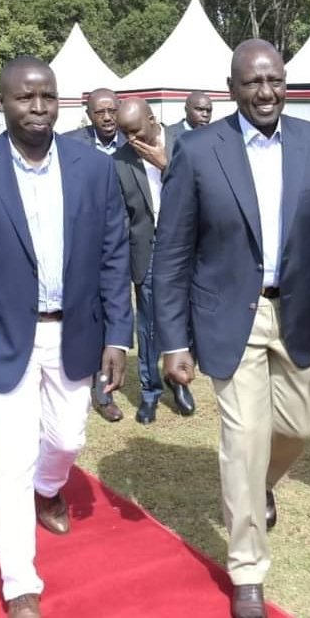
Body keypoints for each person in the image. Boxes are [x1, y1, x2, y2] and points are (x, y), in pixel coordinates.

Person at [154, 39, 310, 618]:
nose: (264, 92)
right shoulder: (197, 150)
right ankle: (247, 567)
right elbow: (171, 253)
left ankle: (257, 485)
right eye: (252, 83)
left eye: (274, 80)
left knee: (296, 427)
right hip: (226, 316)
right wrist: (173, 339)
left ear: (285, 82)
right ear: (232, 87)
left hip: (299, 313)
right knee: (243, 440)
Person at [0, 57, 132, 618]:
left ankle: (50, 487)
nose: (38, 107)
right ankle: (21, 581)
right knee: (9, 461)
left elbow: (115, 257)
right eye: (25, 97)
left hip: (76, 333)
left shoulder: (92, 168)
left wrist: (119, 334)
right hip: (0, 337)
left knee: (67, 439)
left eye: (47, 96)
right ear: (4, 103)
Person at [112, 97, 195, 422]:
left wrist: (166, 165)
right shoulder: (119, 162)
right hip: (146, 252)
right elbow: (120, 219)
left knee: (183, 317)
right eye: (124, 134)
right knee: (148, 326)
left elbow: (201, 191)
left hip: (184, 247)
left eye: (135, 131)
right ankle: (150, 391)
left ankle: (180, 380)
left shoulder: (186, 146)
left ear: (152, 118)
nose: (131, 140)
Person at [62, 87, 127, 422]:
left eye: (112, 110)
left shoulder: (132, 145)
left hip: (119, 244)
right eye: (99, 112)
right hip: (79, 244)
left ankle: (103, 393)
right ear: (88, 115)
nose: (107, 117)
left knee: (110, 316)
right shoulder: (70, 145)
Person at [164, 90, 213, 158]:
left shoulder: (214, 135)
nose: (205, 114)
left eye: (209, 110)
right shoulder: (167, 134)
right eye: (199, 109)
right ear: (186, 109)